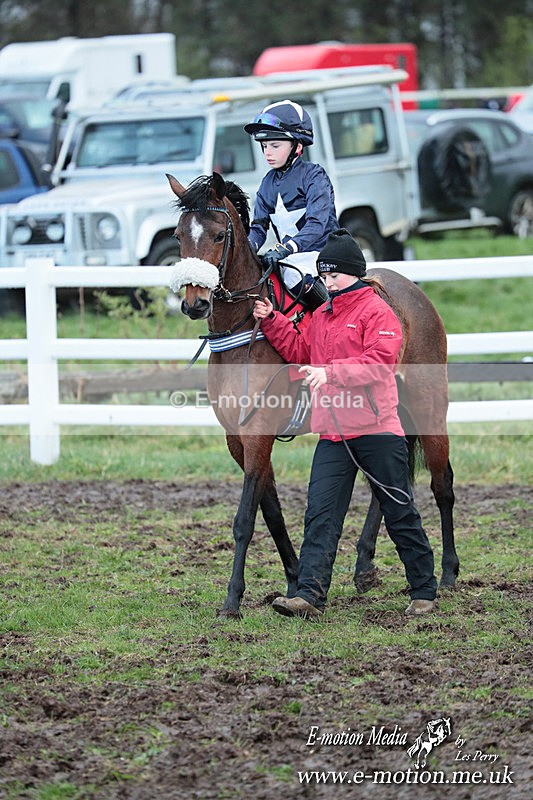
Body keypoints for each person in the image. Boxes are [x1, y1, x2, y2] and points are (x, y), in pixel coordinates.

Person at [252, 228, 438, 619]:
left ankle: (424, 590)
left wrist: (331, 374)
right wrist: (273, 321)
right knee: (320, 514)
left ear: (354, 272)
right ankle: (309, 595)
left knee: (400, 512)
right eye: (323, 276)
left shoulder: (378, 313)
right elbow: (303, 349)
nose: (328, 282)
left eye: (334, 275)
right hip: (333, 434)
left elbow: (380, 363)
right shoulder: (322, 314)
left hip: (377, 431)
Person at [244, 99, 337, 310]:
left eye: (275, 146)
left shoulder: (314, 176)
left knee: (294, 277)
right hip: (290, 258)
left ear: (298, 145)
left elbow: (316, 225)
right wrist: (245, 251)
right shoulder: (267, 182)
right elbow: (259, 227)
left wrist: (286, 248)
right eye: (265, 146)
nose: (268, 152)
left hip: (323, 255)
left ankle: (334, 319)